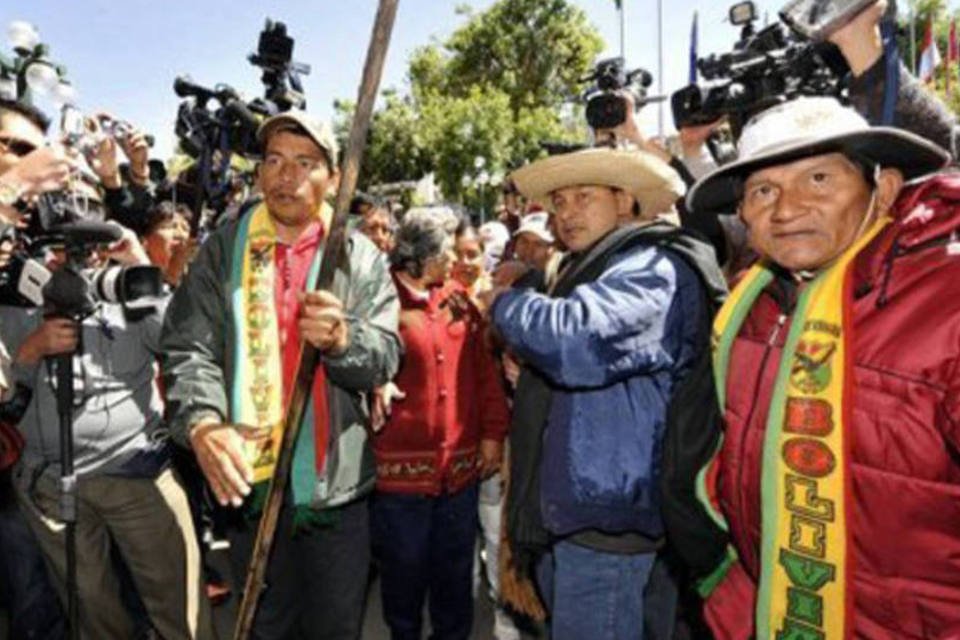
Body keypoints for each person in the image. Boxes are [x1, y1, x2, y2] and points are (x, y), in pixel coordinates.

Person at [685, 96, 960, 638]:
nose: (786, 210)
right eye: (763, 191)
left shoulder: (946, 300)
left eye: (818, 179)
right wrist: (731, 596)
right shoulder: (750, 307)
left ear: (881, 190)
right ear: (742, 214)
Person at [160, 109, 401, 640]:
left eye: (304, 162)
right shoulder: (225, 249)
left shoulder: (360, 257)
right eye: (273, 160)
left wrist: (343, 340)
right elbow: (187, 345)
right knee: (267, 625)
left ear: (333, 179)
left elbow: (384, 355)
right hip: (250, 481)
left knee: (335, 627)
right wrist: (202, 422)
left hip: (334, 487)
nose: (284, 176)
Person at [486, 147, 724, 640]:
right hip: (581, 512)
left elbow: (575, 338)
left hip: (610, 522)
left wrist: (504, 303)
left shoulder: (652, 266)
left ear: (625, 201)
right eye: (559, 201)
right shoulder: (592, 268)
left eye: (583, 197)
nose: (567, 212)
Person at [370, 208, 508, 640]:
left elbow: (485, 373)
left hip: (461, 472)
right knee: (404, 577)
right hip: (399, 482)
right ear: (420, 256)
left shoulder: (459, 302)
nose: (456, 260)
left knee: (454, 580)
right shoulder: (381, 303)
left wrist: (491, 435)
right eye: (447, 251)